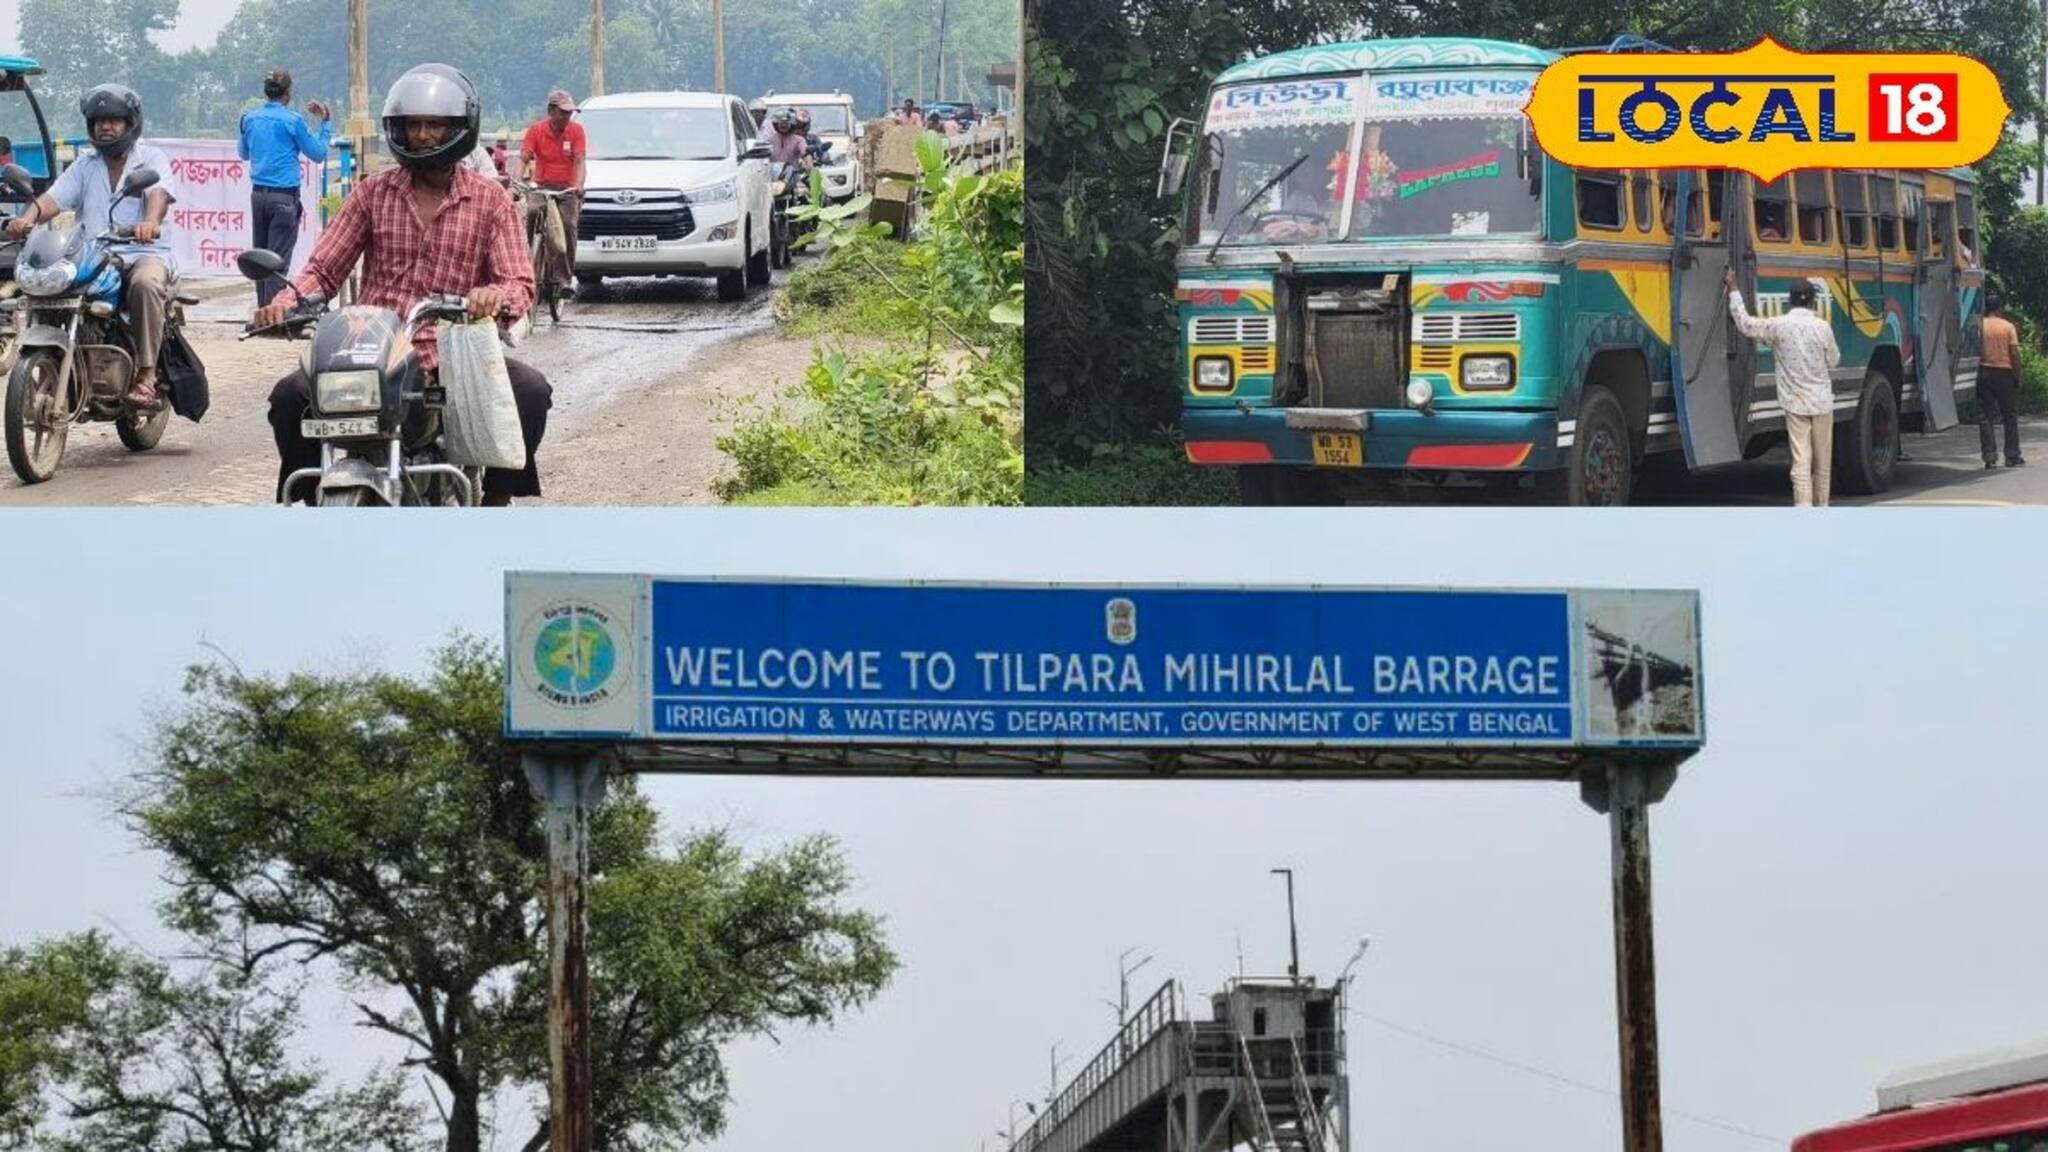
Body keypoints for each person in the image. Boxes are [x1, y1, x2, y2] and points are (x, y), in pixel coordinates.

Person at [254, 64, 550, 507]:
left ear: (459, 128)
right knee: (289, 397)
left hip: (451, 353)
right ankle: (313, 509)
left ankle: (495, 503)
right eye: (415, 125)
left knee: (531, 391)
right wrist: (286, 303)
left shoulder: (490, 202)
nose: (424, 135)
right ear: (400, 129)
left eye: (435, 124)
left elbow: (519, 283)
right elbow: (323, 269)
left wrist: (494, 296)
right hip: (371, 351)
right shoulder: (373, 193)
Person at [6, 84, 177, 410]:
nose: (105, 126)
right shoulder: (86, 163)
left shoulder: (151, 157)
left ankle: (146, 374)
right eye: (99, 120)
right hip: (94, 254)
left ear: (130, 124)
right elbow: (53, 199)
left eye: (114, 120)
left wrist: (150, 223)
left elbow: (159, 194)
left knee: (145, 284)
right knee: (53, 287)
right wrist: (26, 218)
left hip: (143, 253)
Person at [1726, 269, 1841, 506]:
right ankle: (1823, 510)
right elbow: (1834, 360)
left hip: (1795, 403)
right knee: (1822, 464)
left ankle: (1803, 511)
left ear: (1789, 300)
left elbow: (1746, 325)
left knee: (1801, 463)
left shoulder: (1779, 325)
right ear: (1812, 301)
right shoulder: (1823, 328)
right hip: (1821, 403)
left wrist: (1734, 289)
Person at [237, 68, 330, 306]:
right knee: (277, 261)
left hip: (258, 195)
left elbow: (243, 153)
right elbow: (318, 154)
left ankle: (263, 309)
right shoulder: (293, 121)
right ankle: (274, 313)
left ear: (266, 93)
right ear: (287, 94)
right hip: (283, 198)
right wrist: (325, 124)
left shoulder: (249, 119)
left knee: (260, 258)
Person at [518, 89, 585, 279]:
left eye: (569, 113)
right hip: (541, 186)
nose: (567, 116)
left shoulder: (576, 131)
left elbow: (580, 160)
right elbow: (524, 158)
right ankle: (525, 263)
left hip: (567, 189)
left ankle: (564, 279)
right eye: (563, 112)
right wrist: (514, 184)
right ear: (551, 111)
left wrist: (579, 184)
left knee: (568, 225)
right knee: (531, 214)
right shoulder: (536, 130)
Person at [1977, 293, 2025, 469]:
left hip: (1983, 372)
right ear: (1999, 308)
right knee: (2009, 415)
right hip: (2004, 373)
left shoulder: (1979, 325)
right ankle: (2012, 455)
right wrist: (2017, 375)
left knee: (1985, 417)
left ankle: (1989, 457)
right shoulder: (2008, 327)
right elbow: (2014, 353)